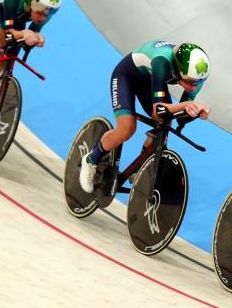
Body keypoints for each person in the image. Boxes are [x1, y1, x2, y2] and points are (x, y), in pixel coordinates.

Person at [78, 40, 211, 193]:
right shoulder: (162, 61)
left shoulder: (196, 76)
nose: (194, 87)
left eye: (199, 82)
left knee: (165, 123)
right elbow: (159, 110)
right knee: (127, 128)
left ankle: (139, 168)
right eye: (191, 82)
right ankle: (91, 159)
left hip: (149, 80)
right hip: (126, 76)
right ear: (179, 71)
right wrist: (186, 105)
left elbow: (180, 117)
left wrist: (196, 114)